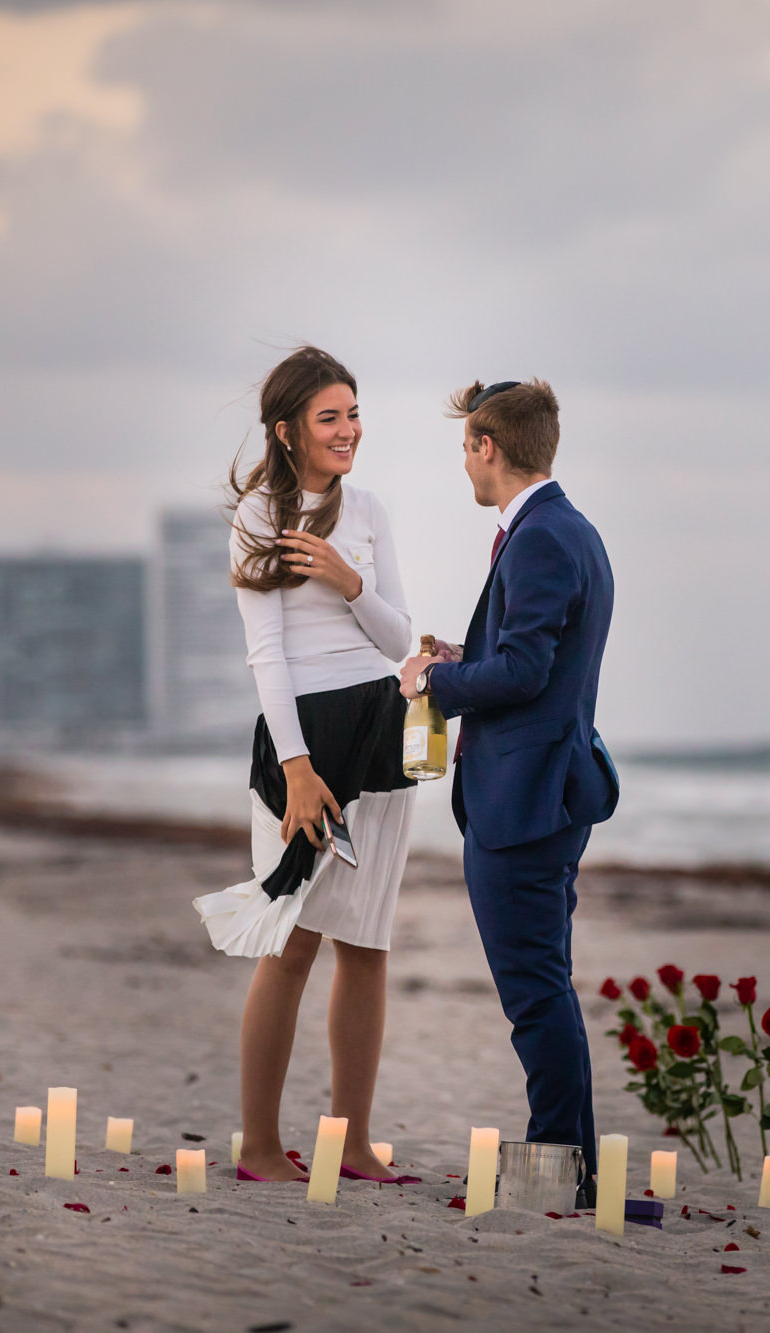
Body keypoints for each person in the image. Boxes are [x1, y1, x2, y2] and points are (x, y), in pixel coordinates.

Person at [193, 345, 419, 1185]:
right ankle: (258, 1145)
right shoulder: (259, 515)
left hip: (382, 732)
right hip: (307, 742)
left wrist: (348, 578)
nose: (348, 431)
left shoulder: (369, 510)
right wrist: (295, 769)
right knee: (291, 945)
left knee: (367, 945)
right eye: (330, 417)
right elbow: (269, 657)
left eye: (354, 414)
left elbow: (402, 640)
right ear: (287, 431)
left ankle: (350, 1142)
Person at [398, 378, 619, 1193]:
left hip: (525, 801)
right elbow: (536, 664)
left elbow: (526, 672)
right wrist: (464, 663)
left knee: (534, 995)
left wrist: (432, 685)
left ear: (489, 446)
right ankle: (570, 1170)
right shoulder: (565, 530)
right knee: (546, 987)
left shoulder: (540, 537)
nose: (463, 462)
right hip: (544, 789)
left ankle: (557, 1172)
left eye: (466, 446)